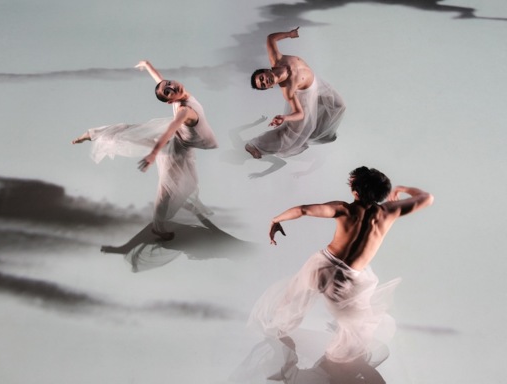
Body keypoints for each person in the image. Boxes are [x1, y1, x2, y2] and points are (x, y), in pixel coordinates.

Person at [248, 166, 434, 363]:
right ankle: (335, 360)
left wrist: (276, 220)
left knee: (292, 299)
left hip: (321, 266)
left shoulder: (344, 209)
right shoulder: (390, 212)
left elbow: (303, 210)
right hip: (346, 281)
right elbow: (427, 198)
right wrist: (402, 188)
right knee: (357, 327)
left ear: (356, 192)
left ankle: (279, 333)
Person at [72, 60, 218, 240]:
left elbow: (160, 80)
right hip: (175, 149)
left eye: (169, 84)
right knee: (167, 190)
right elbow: (171, 128)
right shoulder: (184, 110)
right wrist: (154, 154)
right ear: (170, 101)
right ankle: (158, 227)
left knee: (134, 133)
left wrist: (147, 65)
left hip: (180, 144)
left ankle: (93, 133)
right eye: (168, 91)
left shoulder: (180, 94)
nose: (172, 87)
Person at [245, 27, 346, 159]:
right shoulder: (288, 90)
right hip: (307, 94)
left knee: (339, 106)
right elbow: (300, 113)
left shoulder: (276, 58)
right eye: (263, 85)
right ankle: (256, 145)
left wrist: (289, 34)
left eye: (262, 78)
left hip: (318, 83)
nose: (265, 82)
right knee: (293, 133)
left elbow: (270, 38)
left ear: (266, 70)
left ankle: (322, 133)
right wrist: (284, 117)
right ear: (269, 87)